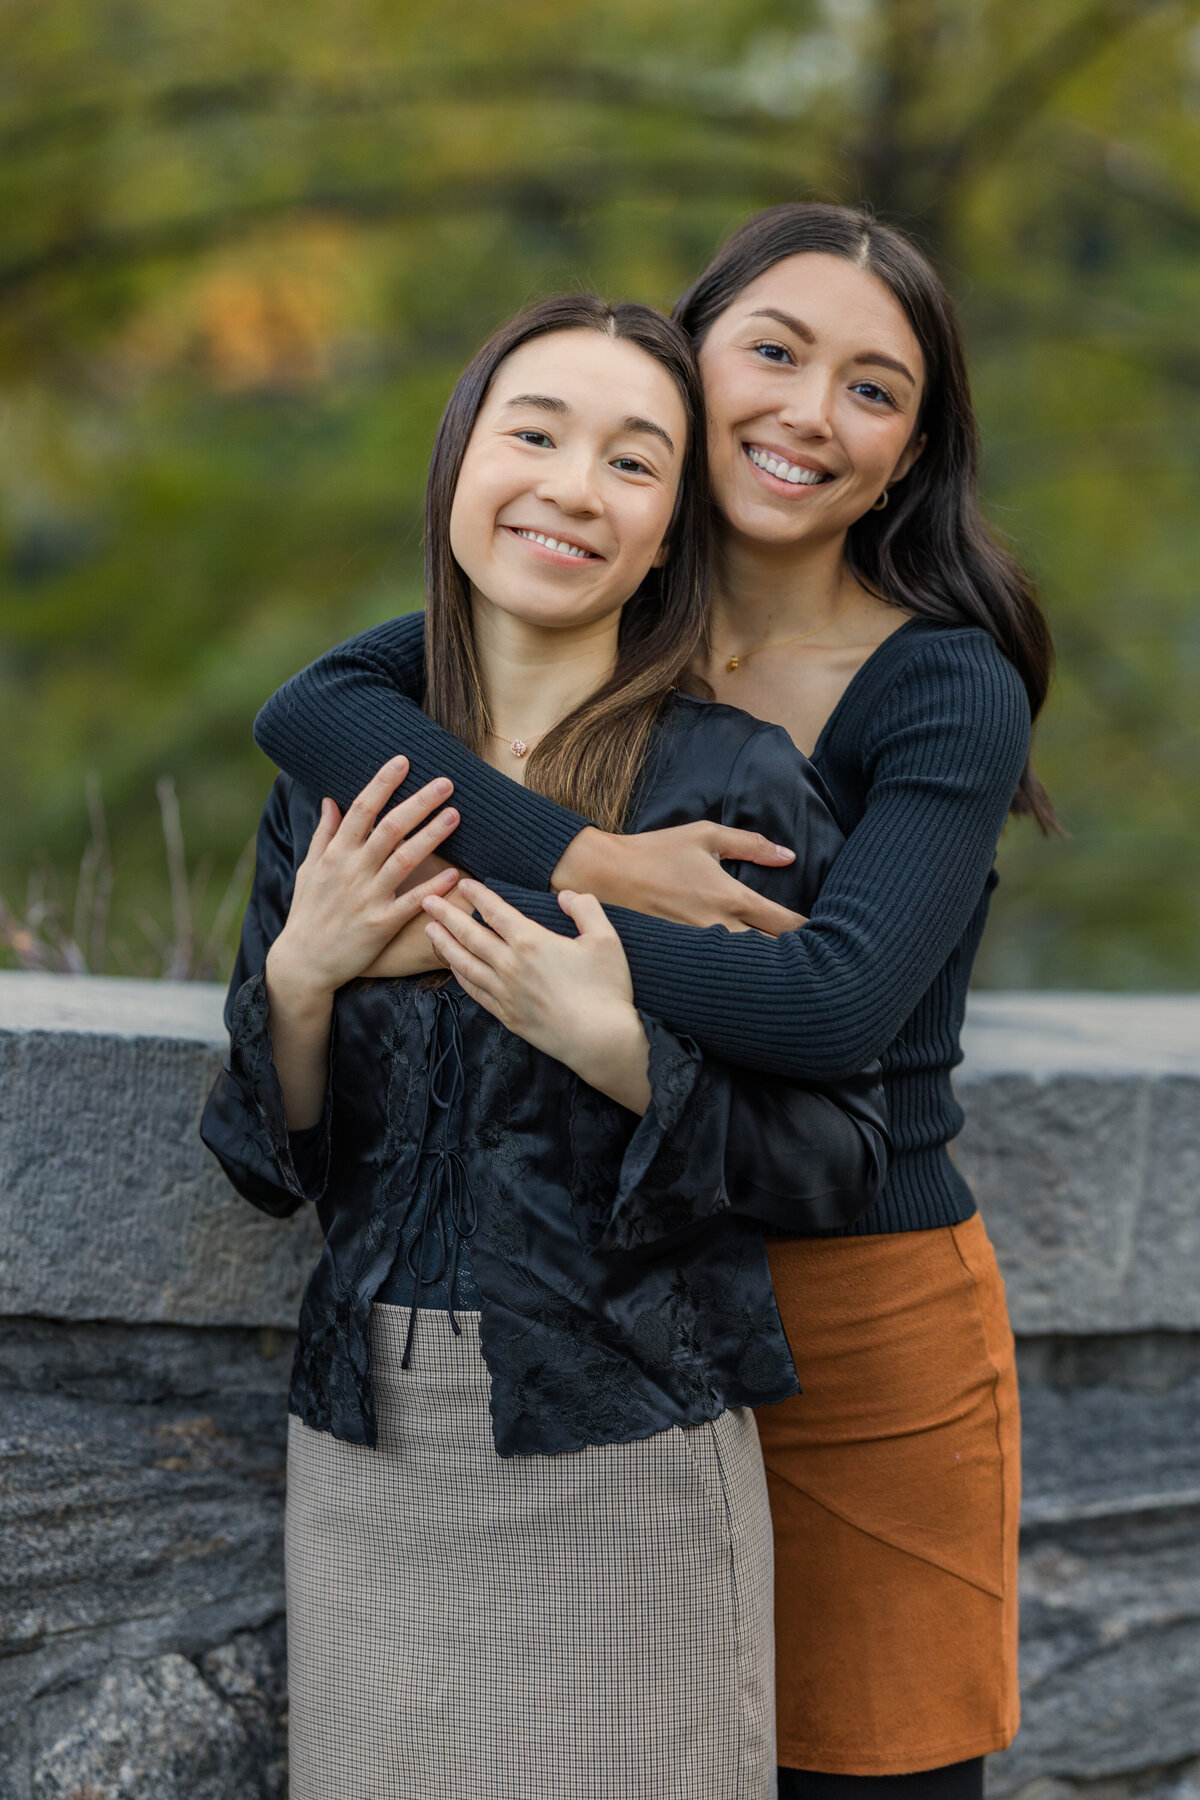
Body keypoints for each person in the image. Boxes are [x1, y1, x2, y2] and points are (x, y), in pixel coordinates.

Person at [255, 203, 1057, 1799]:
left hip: (851, 1307)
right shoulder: (591, 595)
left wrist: (503, 920)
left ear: (906, 455)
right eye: (771, 351)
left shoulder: (938, 680)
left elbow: (834, 1010)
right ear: (690, 373)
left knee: (861, 1773)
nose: (810, 414)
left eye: (874, 390)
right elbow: (317, 710)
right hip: (624, 1309)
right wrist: (601, 868)